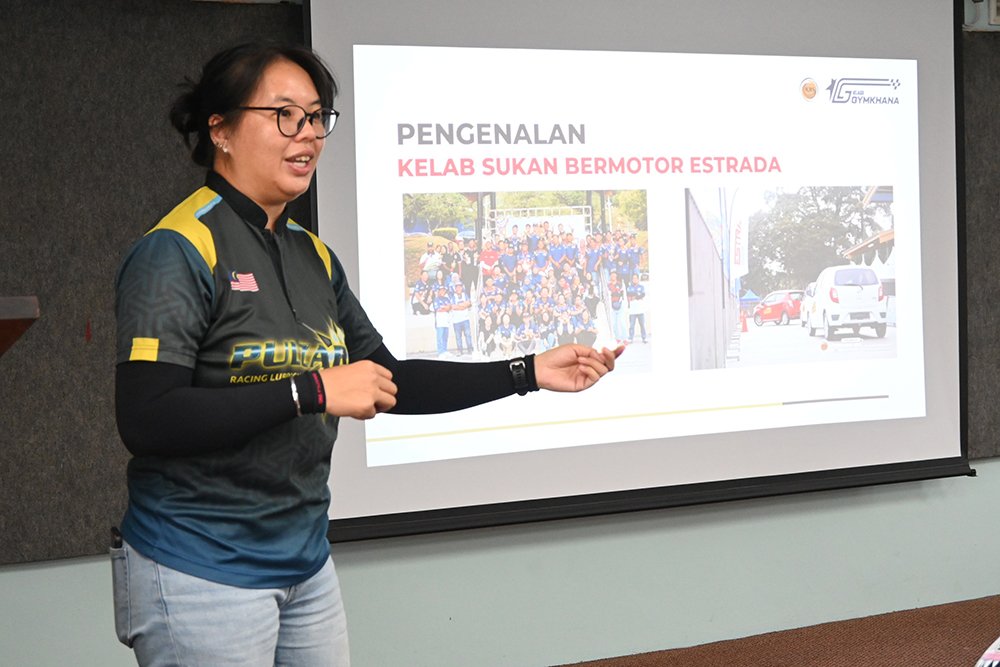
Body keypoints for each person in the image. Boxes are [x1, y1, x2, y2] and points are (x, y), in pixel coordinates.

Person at [111, 41, 621, 667]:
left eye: (316, 117)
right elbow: (148, 418)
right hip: (200, 565)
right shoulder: (176, 250)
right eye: (284, 115)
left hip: (305, 563)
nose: (307, 134)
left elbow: (390, 380)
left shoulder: (312, 255)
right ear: (220, 129)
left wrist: (527, 371)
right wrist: (312, 390)